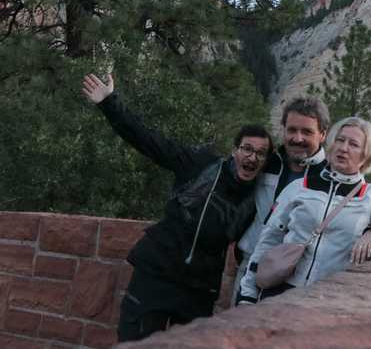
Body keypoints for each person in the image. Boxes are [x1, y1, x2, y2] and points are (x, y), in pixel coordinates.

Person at [80, 73, 273, 342]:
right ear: (234, 151)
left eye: (261, 153)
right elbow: (149, 141)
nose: (252, 157)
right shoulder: (201, 165)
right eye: (247, 149)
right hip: (156, 275)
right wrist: (109, 103)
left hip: (199, 292)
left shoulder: (256, 198)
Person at [238, 116, 371, 303]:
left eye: (354, 144)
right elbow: (268, 241)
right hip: (280, 293)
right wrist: (247, 295)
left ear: (366, 155)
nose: (343, 148)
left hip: (329, 300)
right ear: (331, 144)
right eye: (340, 140)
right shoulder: (300, 187)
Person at [231, 96, 331, 302]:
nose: (298, 138)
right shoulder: (267, 162)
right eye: (292, 130)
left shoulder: (330, 176)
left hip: (299, 274)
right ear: (283, 129)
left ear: (323, 134)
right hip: (250, 265)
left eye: (307, 132)